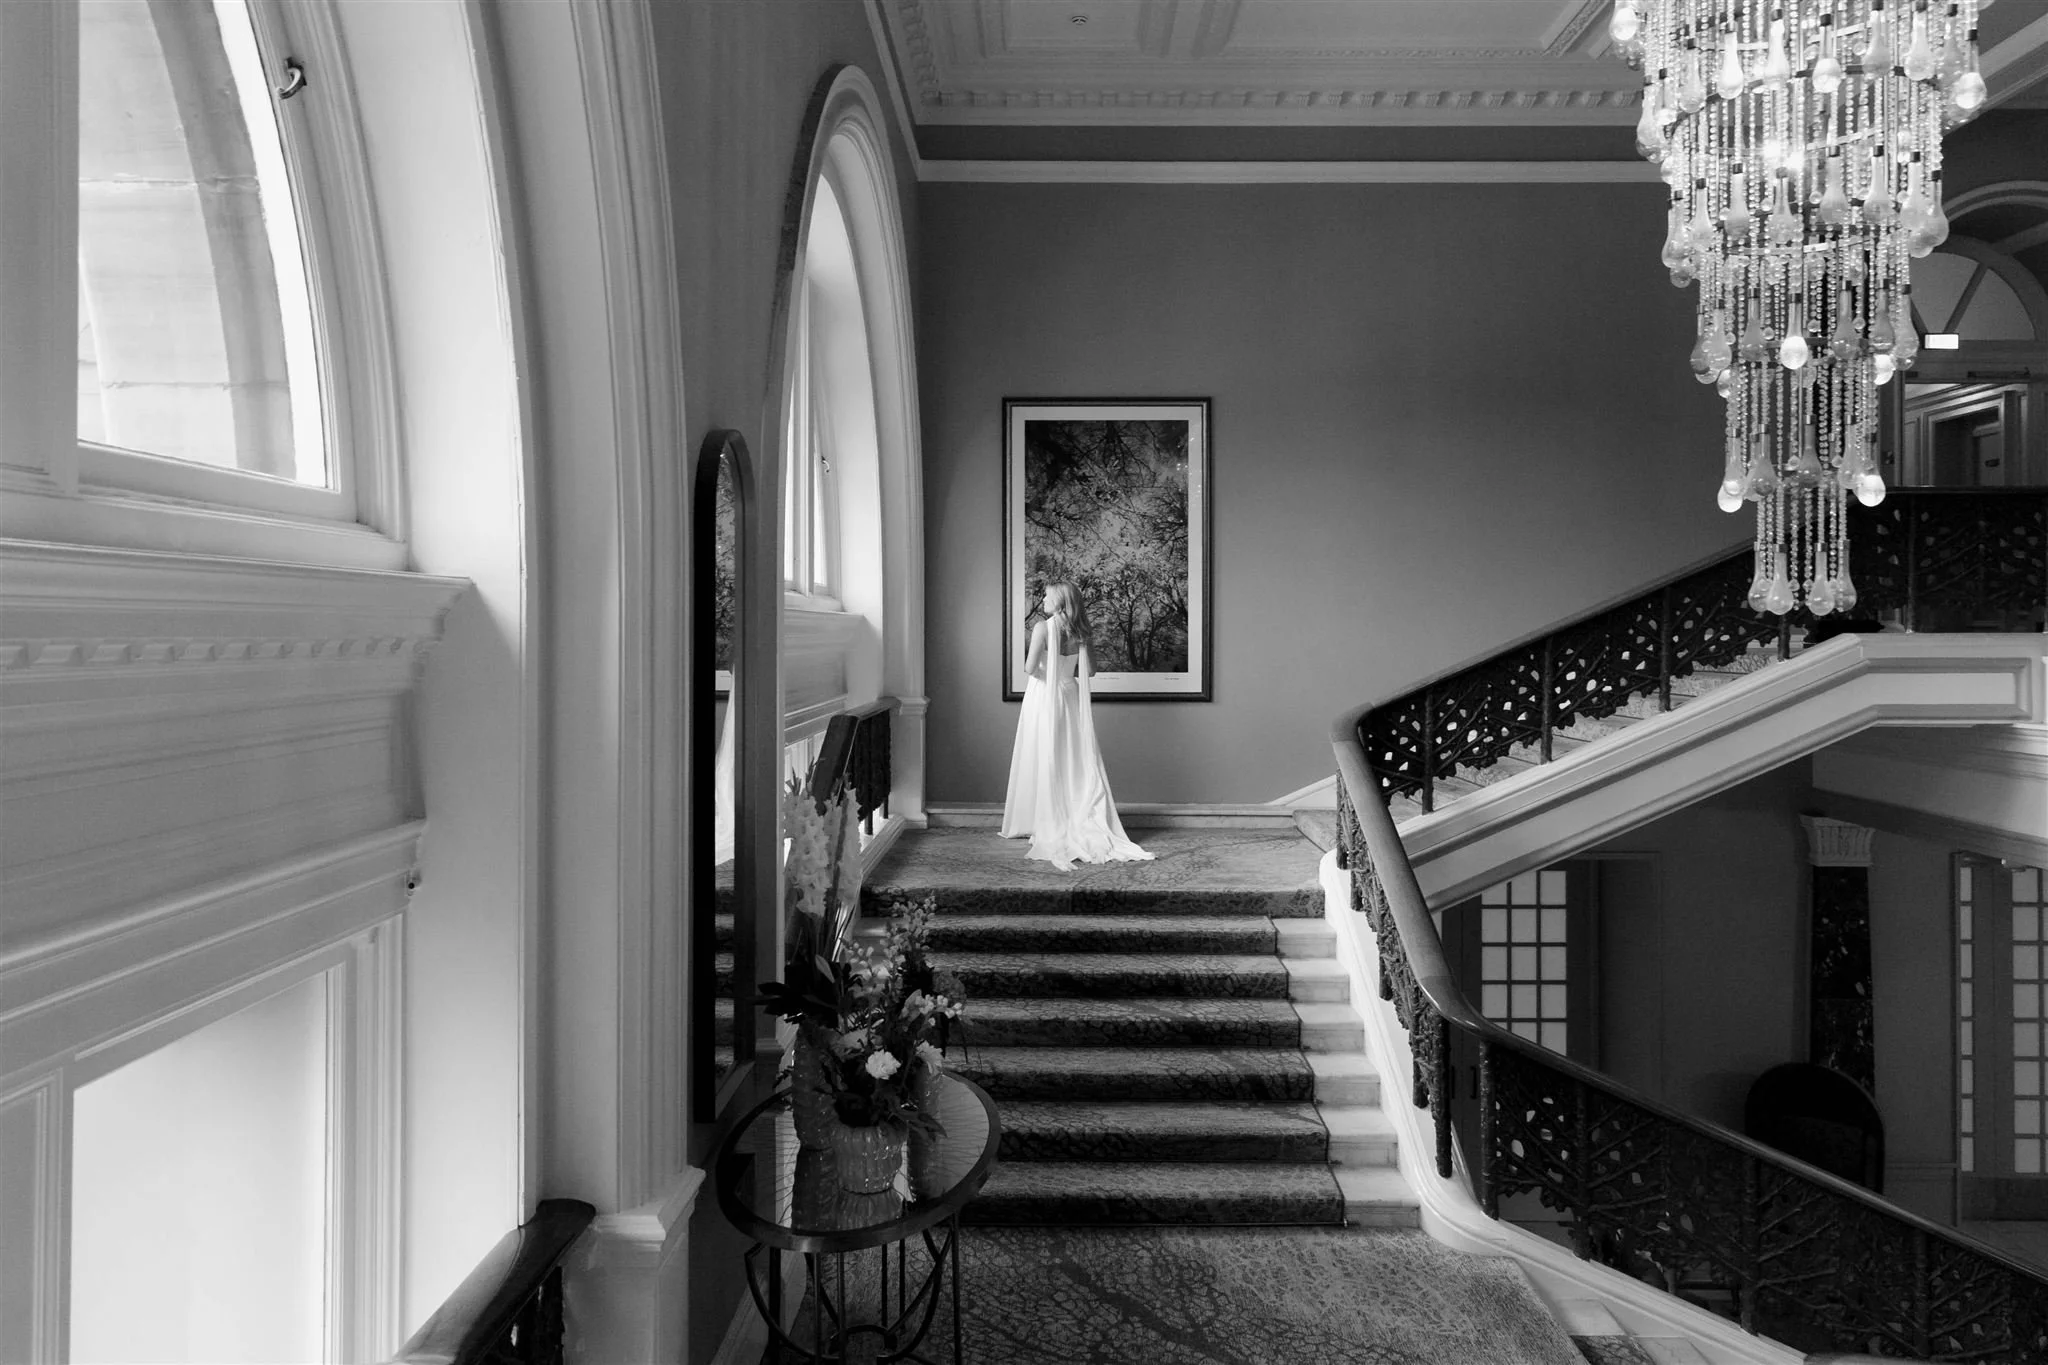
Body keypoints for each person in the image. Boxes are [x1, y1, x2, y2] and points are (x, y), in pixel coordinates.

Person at [999, 583, 1154, 870]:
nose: (1043, 599)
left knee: (1045, 752)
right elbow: (1091, 670)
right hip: (1069, 694)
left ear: (1058, 601)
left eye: (1047, 595)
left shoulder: (1043, 629)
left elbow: (1029, 668)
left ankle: (1048, 818)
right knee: (1072, 757)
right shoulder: (1082, 632)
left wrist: (1048, 667)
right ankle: (1074, 814)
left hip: (1044, 695)